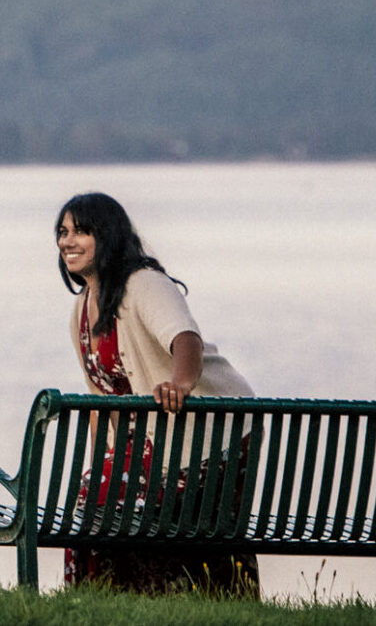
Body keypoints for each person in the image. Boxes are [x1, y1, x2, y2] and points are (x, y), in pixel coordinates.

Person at [55, 191, 258, 596]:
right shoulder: (81, 311)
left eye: (81, 231)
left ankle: (136, 594)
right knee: (93, 494)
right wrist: (103, 462)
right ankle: (106, 600)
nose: (67, 242)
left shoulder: (143, 284)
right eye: (62, 233)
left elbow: (185, 338)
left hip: (205, 435)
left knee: (112, 501)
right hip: (150, 443)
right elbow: (103, 402)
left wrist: (181, 384)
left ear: (108, 236)